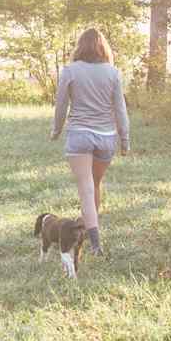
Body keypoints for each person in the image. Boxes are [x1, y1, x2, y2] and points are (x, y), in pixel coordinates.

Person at [50, 27, 129, 256]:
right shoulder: (113, 73)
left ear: (80, 47)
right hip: (106, 138)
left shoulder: (70, 71)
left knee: (85, 188)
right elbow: (120, 109)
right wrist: (125, 139)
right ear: (103, 47)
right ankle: (88, 229)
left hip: (80, 135)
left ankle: (94, 243)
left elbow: (61, 106)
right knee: (94, 184)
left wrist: (56, 130)